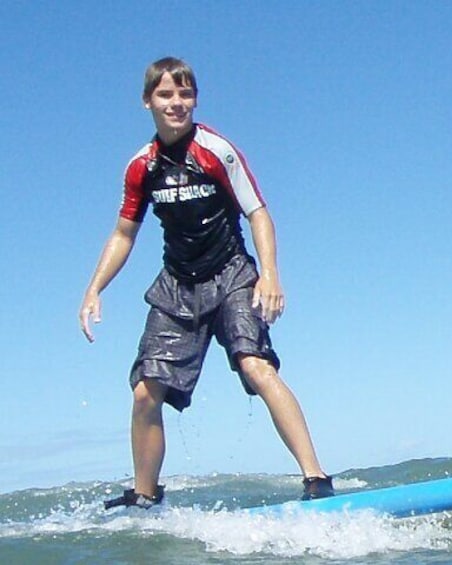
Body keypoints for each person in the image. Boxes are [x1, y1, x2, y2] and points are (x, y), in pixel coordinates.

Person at [80, 57, 334, 507]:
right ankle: (144, 494)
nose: (176, 103)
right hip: (177, 284)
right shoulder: (141, 167)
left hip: (232, 272)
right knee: (144, 393)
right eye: (165, 95)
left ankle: (316, 478)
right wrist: (94, 289)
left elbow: (258, 212)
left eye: (185, 94)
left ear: (194, 99)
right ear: (147, 102)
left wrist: (270, 274)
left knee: (257, 367)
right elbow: (123, 233)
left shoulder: (217, 150)